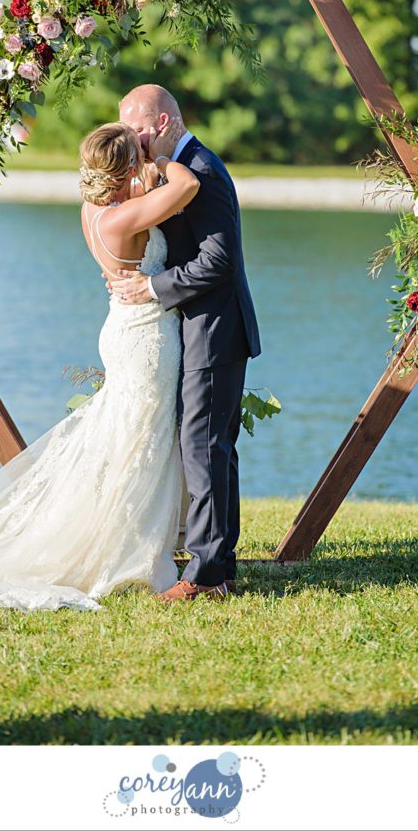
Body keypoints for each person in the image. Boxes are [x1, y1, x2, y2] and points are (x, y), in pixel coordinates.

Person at [0, 120, 199, 620]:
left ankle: (138, 543)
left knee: (129, 438)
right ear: (125, 170)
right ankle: (147, 557)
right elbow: (188, 184)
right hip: (146, 339)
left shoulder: (95, 210)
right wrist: (159, 159)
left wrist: (139, 167)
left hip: (127, 329)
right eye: (134, 155)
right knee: (144, 441)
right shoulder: (123, 217)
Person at [112, 84, 261, 603]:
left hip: (214, 331)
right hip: (201, 329)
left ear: (162, 122)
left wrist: (152, 287)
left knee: (203, 448)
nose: (131, 140)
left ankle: (206, 577)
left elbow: (219, 262)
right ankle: (219, 566)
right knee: (211, 448)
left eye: (135, 129)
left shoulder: (201, 170)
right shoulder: (177, 167)